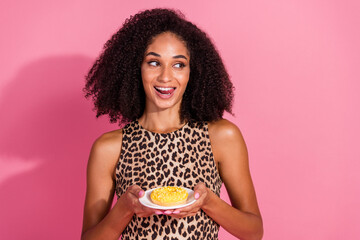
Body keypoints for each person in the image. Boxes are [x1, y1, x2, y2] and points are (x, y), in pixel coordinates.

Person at [81, 8, 263, 240]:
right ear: (135, 69)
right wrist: (125, 209)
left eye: (178, 65)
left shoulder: (221, 137)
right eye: (154, 62)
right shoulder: (109, 148)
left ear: (193, 72)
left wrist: (208, 203)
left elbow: (254, 231)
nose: (166, 77)